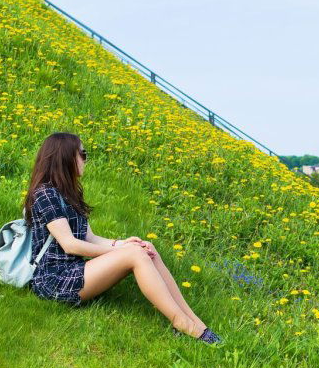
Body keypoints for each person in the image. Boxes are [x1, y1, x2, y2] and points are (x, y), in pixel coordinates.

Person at [22, 132, 222, 345]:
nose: (85, 159)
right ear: (65, 156)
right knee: (135, 254)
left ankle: (195, 322)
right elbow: (70, 245)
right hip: (55, 280)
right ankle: (182, 323)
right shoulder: (45, 194)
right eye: (82, 153)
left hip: (74, 272)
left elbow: (90, 238)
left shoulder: (68, 194)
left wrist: (123, 244)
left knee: (146, 248)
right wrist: (123, 252)